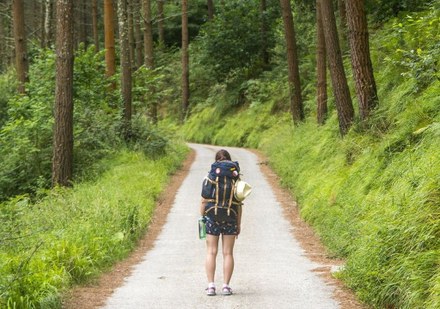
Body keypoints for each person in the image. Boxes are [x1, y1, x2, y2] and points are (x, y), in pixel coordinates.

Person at [200, 149, 242, 296]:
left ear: (216, 160)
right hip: (231, 217)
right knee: (228, 253)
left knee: (211, 251)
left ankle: (211, 286)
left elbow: (204, 199)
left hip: (212, 217)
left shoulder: (211, 176)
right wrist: (238, 224)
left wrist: (202, 218)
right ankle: (225, 286)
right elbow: (238, 203)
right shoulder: (235, 178)